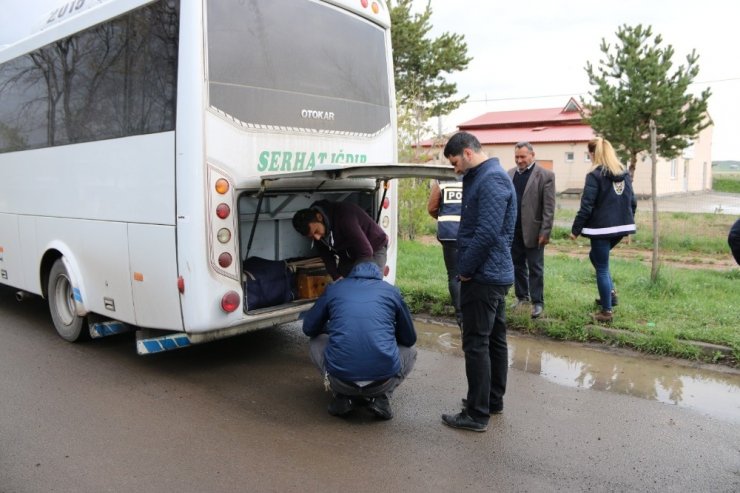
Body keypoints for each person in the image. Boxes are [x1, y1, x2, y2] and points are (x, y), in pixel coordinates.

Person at [440, 132, 517, 432]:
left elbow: (488, 233)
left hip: (484, 276)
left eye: (456, 162)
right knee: (494, 339)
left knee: (476, 343)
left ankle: (476, 413)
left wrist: (465, 270)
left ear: (468, 153)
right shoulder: (484, 176)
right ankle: (491, 401)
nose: (456, 169)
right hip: (492, 273)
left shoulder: (492, 180)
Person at [302, 261, 417, 420]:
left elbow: (309, 329)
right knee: (410, 351)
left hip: (341, 381)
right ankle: (382, 399)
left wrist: (333, 327)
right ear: (382, 273)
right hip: (382, 382)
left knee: (316, 341)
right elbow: (409, 339)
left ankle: (342, 397)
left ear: (352, 273)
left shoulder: (335, 289)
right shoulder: (391, 292)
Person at [569, 137, 636, 323]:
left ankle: (606, 312)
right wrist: (628, 223)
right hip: (621, 227)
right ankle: (610, 295)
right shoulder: (623, 173)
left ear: (593, 153)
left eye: (589, 154)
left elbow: (587, 205)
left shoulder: (595, 175)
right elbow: (632, 201)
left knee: (602, 267)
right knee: (596, 258)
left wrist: (575, 229)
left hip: (601, 229)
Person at [507, 142, 556, 319]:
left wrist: (545, 231)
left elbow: (549, 208)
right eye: (517, 157)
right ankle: (522, 297)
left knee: (535, 268)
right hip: (513, 230)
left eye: (523, 157)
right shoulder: (509, 174)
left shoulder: (545, 175)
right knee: (517, 265)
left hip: (534, 231)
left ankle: (538, 302)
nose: (519, 160)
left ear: (532, 155)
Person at [292, 200, 388, 280]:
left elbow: (365, 251)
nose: (317, 237)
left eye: (316, 231)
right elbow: (326, 255)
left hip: (373, 248)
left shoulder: (345, 217)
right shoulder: (318, 231)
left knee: (367, 287)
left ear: (319, 217)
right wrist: (337, 277)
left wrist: (355, 279)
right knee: (343, 287)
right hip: (349, 253)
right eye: (312, 236)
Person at [427, 176, 464, 328]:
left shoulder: (442, 180)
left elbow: (432, 208)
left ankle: (460, 316)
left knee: (454, 275)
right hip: (471, 234)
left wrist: (444, 218)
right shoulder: (474, 176)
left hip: (449, 233)